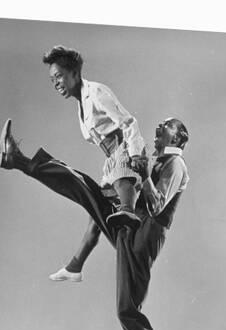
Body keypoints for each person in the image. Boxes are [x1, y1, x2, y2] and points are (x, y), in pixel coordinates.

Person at [0, 116, 190, 330]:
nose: (158, 127)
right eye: (160, 124)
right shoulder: (155, 160)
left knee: (126, 309)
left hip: (144, 236)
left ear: (178, 138)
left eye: (167, 126)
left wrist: (143, 175)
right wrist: (112, 193)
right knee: (86, 189)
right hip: (128, 224)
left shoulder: (176, 163)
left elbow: (156, 207)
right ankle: (20, 161)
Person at [41, 45, 147, 283]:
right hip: (110, 158)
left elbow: (128, 122)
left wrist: (136, 153)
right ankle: (74, 267)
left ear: (74, 74)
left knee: (121, 178)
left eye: (59, 76)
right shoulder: (80, 103)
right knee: (95, 215)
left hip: (125, 149)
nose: (56, 83)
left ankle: (128, 214)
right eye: (52, 80)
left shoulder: (96, 92)